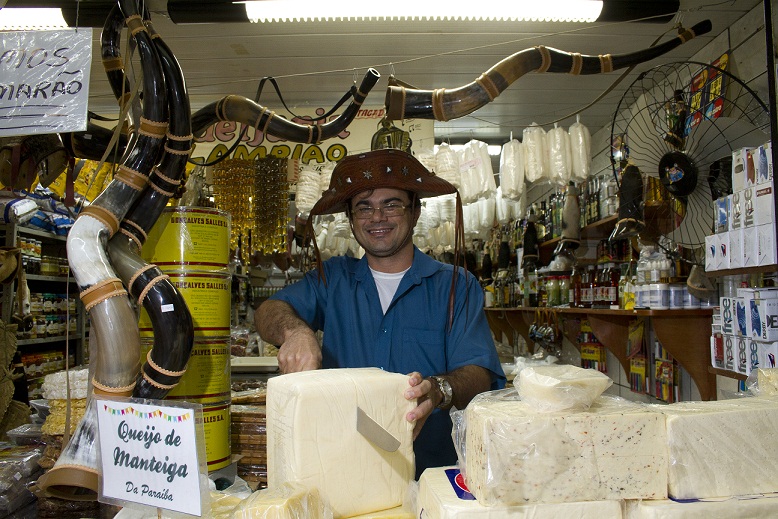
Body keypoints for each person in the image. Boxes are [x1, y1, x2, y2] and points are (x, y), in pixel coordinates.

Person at [256, 148, 505, 479]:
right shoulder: (332, 280)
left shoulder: (456, 286)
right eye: (364, 207)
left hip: (432, 475)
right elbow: (269, 311)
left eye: (392, 204)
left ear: (415, 211)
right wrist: (295, 332)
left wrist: (438, 388)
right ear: (350, 218)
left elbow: (479, 372)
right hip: (340, 467)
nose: (377, 218)